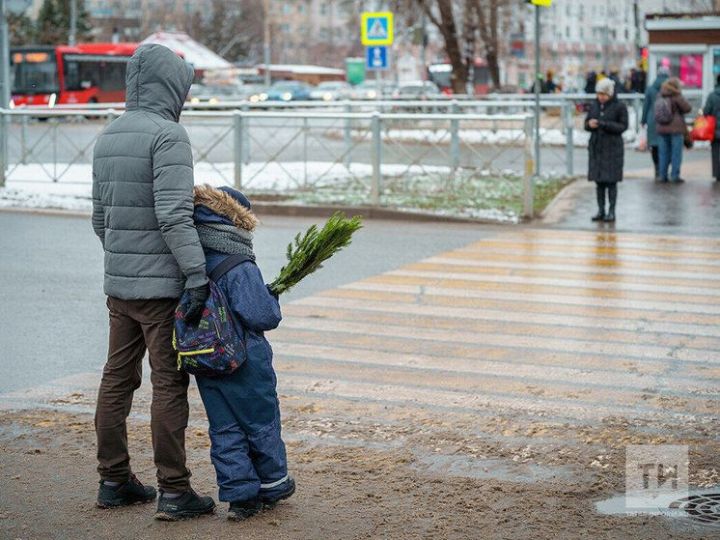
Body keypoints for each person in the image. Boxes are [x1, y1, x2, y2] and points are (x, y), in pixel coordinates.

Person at [91, 44, 216, 520]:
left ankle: (113, 479)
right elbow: (174, 216)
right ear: (172, 86)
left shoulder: (108, 136)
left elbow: (101, 220)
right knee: (169, 383)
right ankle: (175, 490)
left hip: (119, 289)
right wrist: (196, 273)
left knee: (116, 379)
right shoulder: (169, 135)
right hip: (163, 293)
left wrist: (124, 261)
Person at [191, 184, 295, 522]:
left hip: (207, 359)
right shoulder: (238, 264)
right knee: (260, 422)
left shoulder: (193, 260)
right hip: (245, 360)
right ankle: (273, 485)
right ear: (237, 222)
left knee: (225, 429)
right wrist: (271, 297)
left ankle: (239, 497)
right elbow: (261, 315)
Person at [584, 78, 628, 223]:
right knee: (599, 183)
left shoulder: (619, 107)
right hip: (597, 148)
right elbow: (586, 123)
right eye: (599, 94)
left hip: (612, 148)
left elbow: (622, 127)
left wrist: (602, 124)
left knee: (611, 182)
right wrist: (589, 124)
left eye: (604, 94)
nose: (601, 97)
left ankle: (612, 211)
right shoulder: (594, 106)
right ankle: (601, 210)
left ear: (610, 94)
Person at [655, 77, 692, 183]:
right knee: (676, 153)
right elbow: (687, 108)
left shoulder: (660, 94)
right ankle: (675, 175)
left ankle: (663, 175)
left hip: (662, 128)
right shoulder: (676, 95)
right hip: (676, 128)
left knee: (663, 153)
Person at [641, 67, 670, 180]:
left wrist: (643, 120)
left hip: (652, 120)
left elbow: (646, 106)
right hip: (667, 120)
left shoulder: (650, 88)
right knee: (666, 145)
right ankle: (665, 170)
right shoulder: (670, 88)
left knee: (654, 146)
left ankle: (657, 169)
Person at [702, 74, 720, 182]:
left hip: (715, 130)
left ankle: (717, 174)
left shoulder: (712, 95)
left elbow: (706, 112)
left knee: (716, 152)